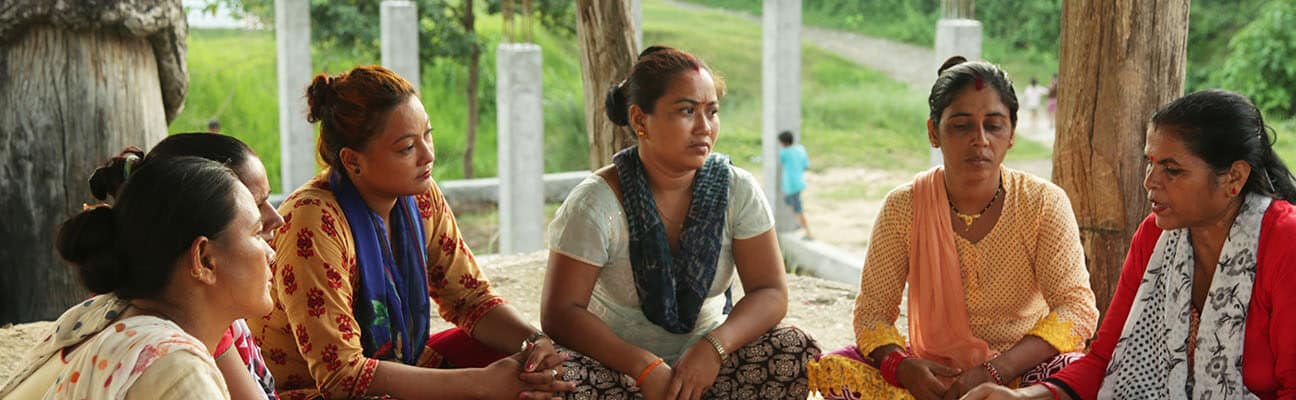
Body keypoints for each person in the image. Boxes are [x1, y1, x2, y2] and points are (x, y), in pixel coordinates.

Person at [252, 65, 571, 400]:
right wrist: (482, 384)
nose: (428, 155)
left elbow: (470, 299)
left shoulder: (420, 194)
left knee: (533, 368)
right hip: (314, 391)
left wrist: (536, 344)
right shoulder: (313, 222)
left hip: (399, 364)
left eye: (427, 135)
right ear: (352, 160)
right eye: (406, 148)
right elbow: (341, 377)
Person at [960, 90, 1296, 399]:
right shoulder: (1155, 236)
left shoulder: (1285, 240)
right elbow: (1106, 359)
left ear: (1234, 178)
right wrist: (1021, 397)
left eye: (1172, 170)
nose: (1150, 183)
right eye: (1150, 163)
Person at [805, 56, 1099, 400]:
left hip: (1019, 370)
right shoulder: (904, 207)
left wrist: (995, 370)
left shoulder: (1042, 203)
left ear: (1012, 135)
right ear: (934, 132)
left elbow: (1075, 308)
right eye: (961, 125)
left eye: (994, 125)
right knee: (837, 370)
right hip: (931, 371)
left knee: (1079, 372)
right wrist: (900, 365)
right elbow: (872, 314)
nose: (980, 139)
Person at [541, 45, 821, 400]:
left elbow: (770, 292)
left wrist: (714, 347)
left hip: (708, 367)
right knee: (544, 378)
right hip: (615, 370)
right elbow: (560, 314)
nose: (704, 128)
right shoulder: (595, 204)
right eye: (687, 111)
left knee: (794, 350)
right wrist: (643, 367)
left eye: (712, 112)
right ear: (641, 120)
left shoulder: (737, 190)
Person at [0, 156, 273, 399]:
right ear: (203, 259)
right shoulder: (175, 368)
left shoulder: (104, 315)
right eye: (257, 234)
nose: (270, 253)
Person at [77, 133, 286, 400]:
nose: (277, 220)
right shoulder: (179, 368)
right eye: (255, 229)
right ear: (204, 258)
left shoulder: (142, 318)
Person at [779, 130, 812, 239]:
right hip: (799, 182)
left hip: (791, 185)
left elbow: (782, 161)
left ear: (782, 143)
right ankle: (799, 224)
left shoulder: (784, 152)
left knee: (798, 209)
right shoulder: (800, 149)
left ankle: (808, 233)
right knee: (791, 204)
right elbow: (806, 164)